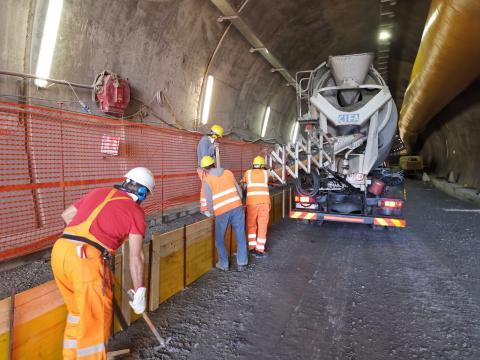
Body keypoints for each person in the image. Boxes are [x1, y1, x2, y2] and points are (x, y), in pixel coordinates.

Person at [51, 167, 155, 360]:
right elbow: (136, 256)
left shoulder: (98, 192)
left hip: (60, 251)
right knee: (95, 322)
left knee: (78, 314)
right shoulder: (135, 212)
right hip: (86, 262)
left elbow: (66, 216)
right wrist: (139, 290)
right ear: (142, 192)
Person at [199, 155, 248, 271]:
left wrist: (212, 212)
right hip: (237, 207)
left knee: (219, 238)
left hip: (221, 212)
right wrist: (239, 201)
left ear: (204, 169)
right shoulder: (228, 173)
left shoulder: (207, 180)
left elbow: (209, 200)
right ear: (214, 164)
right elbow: (239, 190)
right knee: (240, 235)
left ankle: (224, 263)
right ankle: (242, 263)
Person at [241, 156, 271, 258]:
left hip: (251, 203)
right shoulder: (266, 173)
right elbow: (271, 175)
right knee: (262, 226)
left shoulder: (248, 173)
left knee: (251, 225)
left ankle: (252, 248)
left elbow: (243, 183)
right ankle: (260, 250)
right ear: (262, 165)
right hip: (264, 203)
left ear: (253, 164)